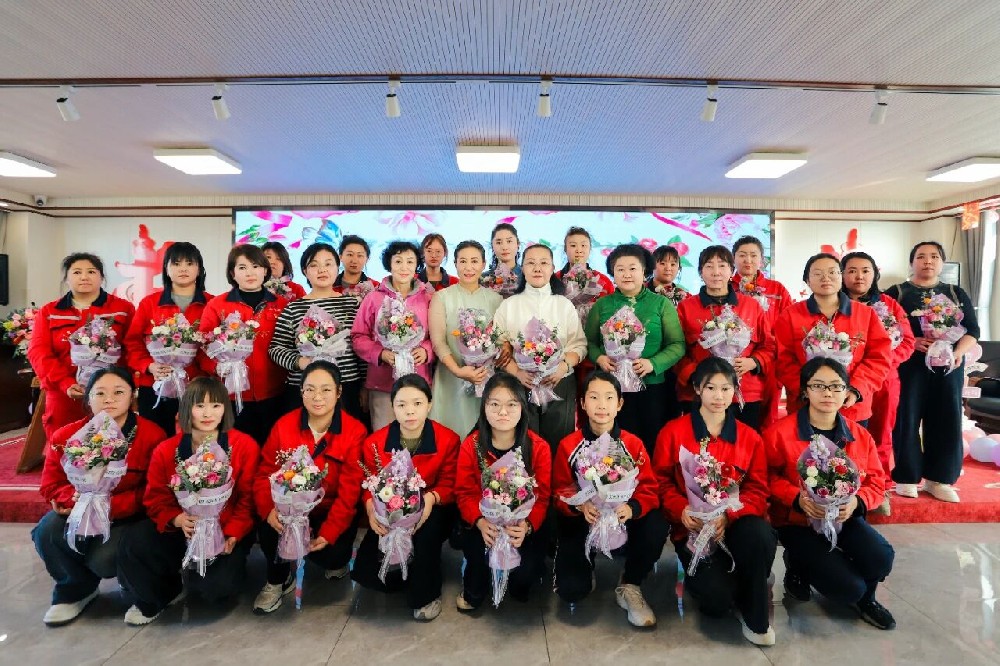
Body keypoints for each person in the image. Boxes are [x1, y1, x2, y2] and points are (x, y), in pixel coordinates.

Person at [763, 357, 896, 630]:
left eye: (836, 386)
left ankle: (867, 600)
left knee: (881, 557)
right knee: (847, 588)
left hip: (844, 518)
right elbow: (766, 478)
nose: (828, 393)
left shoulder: (859, 435)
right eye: (819, 386)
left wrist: (858, 502)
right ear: (805, 391)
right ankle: (798, 565)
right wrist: (796, 498)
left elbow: (876, 482)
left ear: (847, 392)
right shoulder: (779, 433)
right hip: (798, 522)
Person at [117, 377, 259, 625]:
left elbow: (248, 500)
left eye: (215, 405)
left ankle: (205, 575)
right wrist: (177, 519)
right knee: (134, 541)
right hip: (181, 530)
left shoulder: (244, 445)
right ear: (186, 409)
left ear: (225, 409)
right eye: (199, 406)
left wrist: (234, 532)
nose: (207, 414)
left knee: (216, 589)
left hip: (224, 534)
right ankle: (159, 594)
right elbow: (156, 498)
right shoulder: (165, 450)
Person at [655, 357, 776, 646]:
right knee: (716, 603)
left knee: (760, 535)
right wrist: (681, 509)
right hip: (693, 531)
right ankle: (740, 580)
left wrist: (729, 515)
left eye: (726, 388)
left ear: (735, 390)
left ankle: (756, 615)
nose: (719, 396)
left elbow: (758, 491)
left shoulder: (749, 438)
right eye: (710, 388)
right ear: (697, 389)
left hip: (735, 526)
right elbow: (659, 482)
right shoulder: (673, 432)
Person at [33, 367, 166, 626]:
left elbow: (155, 491)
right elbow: (51, 485)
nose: (109, 400)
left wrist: (108, 506)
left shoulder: (151, 435)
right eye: (100, 393)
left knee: (104, 559)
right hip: (80, 510)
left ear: (132, 396)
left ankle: (144, 592)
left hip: (127, 516)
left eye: (119, 392)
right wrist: (75, 500)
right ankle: (75, 591)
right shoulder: (66, 436)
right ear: (88, 398)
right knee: (48, 530)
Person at [552, 370, 667, 627]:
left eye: (609, 397)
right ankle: (585, 566)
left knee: (657, 524)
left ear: (620, 404)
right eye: (594, 397)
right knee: (571, 590)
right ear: (583, 403)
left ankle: (630, 583)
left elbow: (649, 488)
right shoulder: (569, 445)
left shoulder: (633, 444)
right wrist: (579, 505)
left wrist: (632, 508)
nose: (601, 405)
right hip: (585, 521)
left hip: (622, 520)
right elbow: (559, 490)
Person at [252, 361, 368, 614]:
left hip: (328, 510)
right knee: (268, 523)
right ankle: (278, 580)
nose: (317, 397)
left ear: (339, 392)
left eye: (326, 390)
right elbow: (264, 474)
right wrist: (269, 511)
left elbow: (349, 494)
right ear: (301, 391)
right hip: (288, 510)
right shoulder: (284, 425)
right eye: (310, 389)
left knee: (332, 555)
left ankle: (332, 558)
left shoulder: (354, 431)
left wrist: (329, 532)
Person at [351, 374, 461, 621]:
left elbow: (451, 483)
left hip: (434, 505)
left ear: (429, 405)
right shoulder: (375, 443)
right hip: (390, 510)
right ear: (393, 407)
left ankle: (426, 595)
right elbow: (368, 484)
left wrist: (431, 499)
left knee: (425, 537)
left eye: (417, 403)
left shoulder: (448, 439)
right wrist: (370, 507)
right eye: (401, 404)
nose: (410, 411)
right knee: (374, 572)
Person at [884, 241, 980, 502]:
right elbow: (885, 328)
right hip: (909, 366)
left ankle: (939, 479)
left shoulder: (955, 292)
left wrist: (957, 352)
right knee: (906, 419)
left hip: (948, 366)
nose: (928, 261)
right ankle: (907, 476)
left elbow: (972, 330)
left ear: (942, 262)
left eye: (934, 256)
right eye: (921, 256)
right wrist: (912, 341)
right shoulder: (897, 293)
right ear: (911, 262)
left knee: (946, 419)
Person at [454, 372, 551, 610]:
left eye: (511, 404)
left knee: (522, 585)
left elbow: (542, 498)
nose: (503, 412)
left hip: (520, 525)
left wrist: (526, 526)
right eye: (494, 404)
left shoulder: (539, 447)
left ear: (522, 407)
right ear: (484, 408)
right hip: (485, 524)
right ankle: (474, 567)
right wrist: (479, 521)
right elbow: (464, 493)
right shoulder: (471, 445)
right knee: (474, 594)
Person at [586, 244, 685, 454]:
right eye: (620, 269)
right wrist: (600, 358)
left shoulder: (661, 304)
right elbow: (589, 342)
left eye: (633, 268)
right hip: (612, 389)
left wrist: (653, 363)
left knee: (651, 443)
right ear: (612, 273)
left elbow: (677, 345)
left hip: (652, 387)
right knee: (614, 445)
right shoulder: (602, 305)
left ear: (644, 271)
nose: (627, 274)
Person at [774, 253, 891, 427]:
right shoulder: (790, 315)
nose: (826, 278)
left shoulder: (866, 314)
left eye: (832, 272)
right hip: (806, 406)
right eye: (818, 273)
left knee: (853, 445)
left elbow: (879, 358)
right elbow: (783, 359)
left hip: (852, 406)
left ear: (841, 276)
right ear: (807, 280)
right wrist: (808, 389)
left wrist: (856, 388)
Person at [28, 252, 135, 440]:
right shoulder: (49, 311)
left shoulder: (123, 309)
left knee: (113, 444)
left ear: (101, 277)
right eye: (77, 272)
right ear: (67, 278)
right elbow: (39, 352)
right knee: (65, 444)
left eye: (91, 272)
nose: (84, 277)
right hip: (64, 393)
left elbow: (133, 347)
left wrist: (126, 384)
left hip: (111, 393)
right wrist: (65, 383)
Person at [841, 251, 915, 512]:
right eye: (851, 271)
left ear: (875, 274)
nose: (859, 276)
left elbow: (907, 341)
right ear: (842, 275)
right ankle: (845, 486)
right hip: (847, 381)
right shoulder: (834, 304)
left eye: (865, 271)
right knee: (848, 434)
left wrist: (882, 361)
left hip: (884, 379)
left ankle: (879, 488)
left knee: (881, 433)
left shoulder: (889, 305)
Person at [494, 243, 588, 449]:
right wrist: (517, 372)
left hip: (558, 381)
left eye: (544, 263)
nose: (537, 268)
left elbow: (579, 345)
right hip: (519, 383)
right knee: (522, 443)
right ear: (522, 268)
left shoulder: (564, 305)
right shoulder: (508, 305)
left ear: (553, 268)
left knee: (558, 443)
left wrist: (563, 367)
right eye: (531, 263)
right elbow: (498, 347)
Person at [674, 245, 774, 429]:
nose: (716, 272)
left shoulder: (751, 306)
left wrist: (754, 362)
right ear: (701, 272)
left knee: (744, 442)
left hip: (745, 393)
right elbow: (676, 350)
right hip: (700, 393)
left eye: (722, 265)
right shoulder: (685, 308)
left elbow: (769, 346)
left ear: (732, 271)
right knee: (700, 443)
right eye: (709, 266)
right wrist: (696, 373)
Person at [197, 244, 287, 446]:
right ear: (232, 273)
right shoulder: (217, 305)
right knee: (236, 450)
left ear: (265, 270)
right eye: (242, 267)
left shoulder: (281, 305)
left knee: (272, 449)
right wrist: (217, 367)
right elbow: (202, 347)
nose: (250, 273)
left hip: (274, 393)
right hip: (230, 395)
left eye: (255, 266)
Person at [268, 243, 367, 421]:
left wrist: (365, 385)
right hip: (304, 388)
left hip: (346, 386)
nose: (322, 270)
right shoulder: (293, 308)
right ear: (305, 271)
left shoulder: (353, 305)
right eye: (314, 265)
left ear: (337, 267)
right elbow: (276, 349)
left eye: (328, 264)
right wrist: (300, 362)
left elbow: (361, 348)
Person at [124, 242, 212, 435]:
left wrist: (202, 375)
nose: (183, 269)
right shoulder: (150, 303)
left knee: (195, 442)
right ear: (166, 268)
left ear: (199, 269)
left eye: (189, 263)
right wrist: (149, 366)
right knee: (154, 439)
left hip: (196, 387)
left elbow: (216, 346)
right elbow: (132, 342)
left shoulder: (212, 304)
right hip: (155, 385)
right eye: (176, 263)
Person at [351, 241, 435, 431]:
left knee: (418, 437)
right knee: (384, 438)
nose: (404, 267)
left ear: (417, 265)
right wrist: (380, 353)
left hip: (419, 380)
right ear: (389, 264)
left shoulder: (428, 298)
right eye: (398, 261)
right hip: (382, 383)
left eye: (410, 261)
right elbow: (358, 336)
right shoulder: (374, 298)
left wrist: (426, 351)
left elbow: (438, 335)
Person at [427, 240, 503, 437]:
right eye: (463, 261)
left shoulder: (496, 299)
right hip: (450, 377)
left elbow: (501, 340)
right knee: (449, 436)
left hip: (485, 378)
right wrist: (458, 371)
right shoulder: (442, 297)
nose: (469, 267)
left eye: (474, 261)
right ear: (455, 264)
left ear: (483, 264)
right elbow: (438, 341)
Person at [731, 235, 793, 429]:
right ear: (734, 259)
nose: (748, 260)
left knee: (768, 417)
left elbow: (788, 327)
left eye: (753, 255)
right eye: (742, 255)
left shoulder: (777, 289)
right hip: (737, 362)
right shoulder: (727, 289)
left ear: (762, 260)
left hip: (770, 360)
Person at [556, 227, 614, 426]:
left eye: (583, 245)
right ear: (565, 249)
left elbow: (612, 317)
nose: (578, 250)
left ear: (590, 249)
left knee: (592, 400)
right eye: (573, 245)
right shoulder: (555, 280)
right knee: (562, 407)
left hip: (594, 352)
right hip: (562, 352)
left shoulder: (602, 281)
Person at [480, 222, 522, 298]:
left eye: (509, 241)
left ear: (517, 244)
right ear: (492, 246)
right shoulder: (483, 278)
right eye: (499, 242)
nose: (504, 247)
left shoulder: (527, 276)